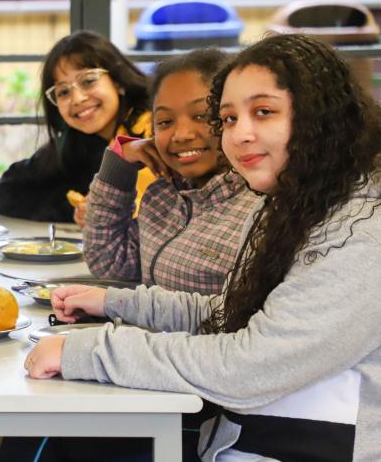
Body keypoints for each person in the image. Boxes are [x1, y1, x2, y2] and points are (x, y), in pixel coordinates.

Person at [27, 33, 381, 462]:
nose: (241, 134)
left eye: (264, 112)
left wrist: (88, 352)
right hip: (236, 433)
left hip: (304, 444)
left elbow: (250, 365)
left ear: (323, 117)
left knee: (51, 436)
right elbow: (230, 314)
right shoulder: (293, 204)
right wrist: (115, 302)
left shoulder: (361, 232)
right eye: (229, 119)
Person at [83, 48, 260, 294]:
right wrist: (119, 162)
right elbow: (110, 263)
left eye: (200, 115)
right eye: (165, 122)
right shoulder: (163, 197)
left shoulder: (258, 208)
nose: (181, 135)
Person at [0, 31, 154, 222]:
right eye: (63, 92)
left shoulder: (153, 129)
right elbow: (5, 193)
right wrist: (76, 208)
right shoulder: (76, 141)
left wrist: (103, 209)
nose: (77, 99)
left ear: (118, 81)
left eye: (88, 81)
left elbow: (152, 209)